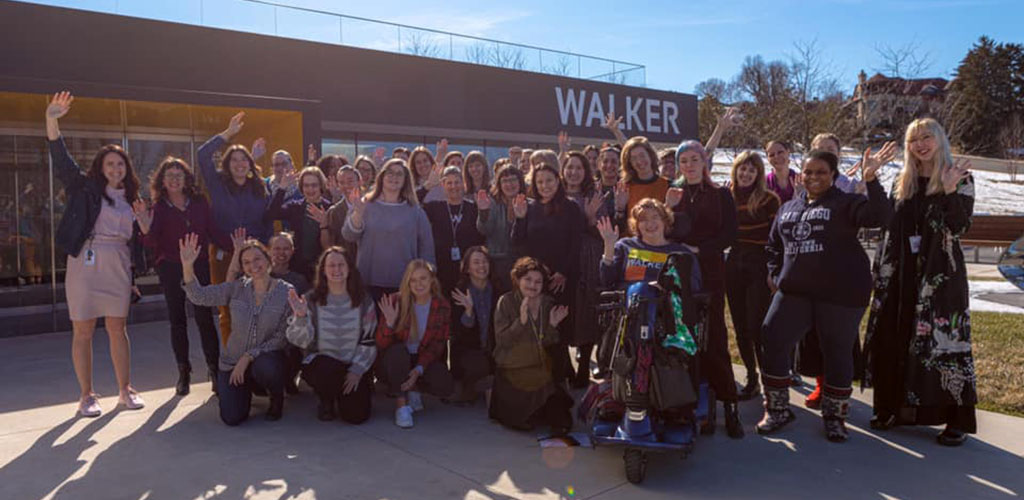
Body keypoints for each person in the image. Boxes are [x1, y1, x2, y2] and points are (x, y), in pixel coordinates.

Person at [757, 149, 891, 442]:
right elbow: (773, 245)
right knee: (772, 336)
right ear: (800, 175)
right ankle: (778, 408)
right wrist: (774, 273)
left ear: (833, 175)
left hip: (840, 293)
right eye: (808, 172)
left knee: (837, 351)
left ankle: (834, 416)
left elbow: (880, 217)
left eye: (821, 172)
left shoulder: (846, 203)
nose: (813, 177)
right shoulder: (788, 207)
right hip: (795, 291)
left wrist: (871, 179)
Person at [865, 118, 976, 446]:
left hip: (939, 278)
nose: (920, 144)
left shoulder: (959, 176)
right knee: (892, 338)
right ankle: (891, 409)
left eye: (927, 137)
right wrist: (870, 179)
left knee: (943, 344)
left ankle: (955, 420)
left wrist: (951, 190)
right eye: (914, 139)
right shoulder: (904, 183)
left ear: (940, 140)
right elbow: (883, 220)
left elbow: (959, 227)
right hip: (900, 276)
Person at [45, 91, 146, 417]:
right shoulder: (85, 188)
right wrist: (51, 120)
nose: (116, 168)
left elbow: (139, 241)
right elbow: (61, 160)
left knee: (118, 328)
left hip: (117, 265)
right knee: (83, 330)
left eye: (120, 163)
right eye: (110, 163)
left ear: (126, 168)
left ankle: (125, 390)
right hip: (85, 264)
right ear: (100, 167)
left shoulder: (133, 198)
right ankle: (87, 395)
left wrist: (145, 230)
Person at [666, 139, 743, 438]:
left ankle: (729, 405)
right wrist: (667, 208)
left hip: (709, 272)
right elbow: (662, 230)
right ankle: (694, 405)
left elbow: (730, 234)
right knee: (684, 339)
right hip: (681, 275)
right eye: (683, 160)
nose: (689, 165)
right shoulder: (674, 194)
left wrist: (700, 249)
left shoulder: (721, 194)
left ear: (704, 162)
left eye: (693, 159)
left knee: (714, 340)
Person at [181, 234, 293, 425]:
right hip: (232, 362)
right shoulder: (236, 288)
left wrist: (249, 356)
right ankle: (244, 390)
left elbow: (282, 337)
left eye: (257, 258)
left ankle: (275, 395)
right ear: (242, 268)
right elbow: (199, 296)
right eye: (246, 262)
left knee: (267, 366)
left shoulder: (285, 291)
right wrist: (187, 266)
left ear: (268, 259)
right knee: (232, 418)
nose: (253, 265)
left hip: (266, 360)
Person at [138, 156, 226, 396]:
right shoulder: (158, 207)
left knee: (205, 318)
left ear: (187, 179)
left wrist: (235, 247)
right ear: (162, 181)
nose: (175, 180)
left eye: (179, 175)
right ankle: (184, 372)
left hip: (198, 266)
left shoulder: (199, 202)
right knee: (178, 321)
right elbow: (150, 241)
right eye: (170, 176)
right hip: (171, 267)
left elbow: (213, 230)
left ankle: (214, 370)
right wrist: (145, 229)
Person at [197, 111, 272, 343]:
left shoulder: (259, 188)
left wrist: (265, 254)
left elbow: (267, 223)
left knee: (258, 307)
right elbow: (202, 154)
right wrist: (227, 134)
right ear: (227, 164)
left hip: (254, 256)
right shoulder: (218, 184)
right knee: (227, 310)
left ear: (251, 164)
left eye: (244, 160)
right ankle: (231, 360)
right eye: (234, 160)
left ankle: (253, 361)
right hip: (223, 254)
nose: (239, 164)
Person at [285, 247, 378, 424]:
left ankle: (346, 397)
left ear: (349, 268)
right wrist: (301, 317)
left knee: (356, 417)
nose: (336, 270)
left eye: (341, 265)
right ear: (323, 270)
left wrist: (357, 370)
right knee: (326, 370)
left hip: (353, 366)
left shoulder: (363, 299)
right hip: (323, 365)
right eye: (331, 265)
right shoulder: (310, 300)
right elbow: (301, 341)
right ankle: (326, 400)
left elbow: (369, 339)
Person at [511, 163, 584, 385]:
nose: (545, 186)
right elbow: (517, 242)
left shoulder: (570, 207)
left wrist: (563, 271)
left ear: (558, 180)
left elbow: (576, 243)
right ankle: (551, 376)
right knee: (539, 328)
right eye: (540, 181)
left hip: (561, 279)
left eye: (549, 180)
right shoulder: (529, 207)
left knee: (558, 330)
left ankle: (559, 380)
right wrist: (520, 218)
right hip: (536, 280)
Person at [490, 257, 572, 435]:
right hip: (513, 366)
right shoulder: (506, 301)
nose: (532, 285)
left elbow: (548, 341)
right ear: (517, 280)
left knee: (557, 404)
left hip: (538, 364)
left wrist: (553, 325)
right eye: (527, 279)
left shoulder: (547, 303)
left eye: (538, 281)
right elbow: (503, 341)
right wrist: (521, 321)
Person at [723, 152, 780, 401]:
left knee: (757, 326)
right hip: (735, 260)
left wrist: (773, 270)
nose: (745, 174)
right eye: (741, 169)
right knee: (740, 326)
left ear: (758, 174)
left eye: (751, 170)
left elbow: (777, 238)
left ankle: (770, 382)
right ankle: (751, 378)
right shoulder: (726, 197)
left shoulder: (768, 200)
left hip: (759, 262)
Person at [376, 260, 455, 428]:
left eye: (423, 278)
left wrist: (419, 369)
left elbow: (437, 345)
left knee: (444, 384)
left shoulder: (442, 306)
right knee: (397, 352)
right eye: (413, 280)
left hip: (421, 357)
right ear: (407, 282)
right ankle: (401, 405)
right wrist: (389, 324)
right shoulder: (395, 301)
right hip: (395, 359)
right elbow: (381, 344)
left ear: (432, 280)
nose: (418, 284)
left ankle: (414, 388)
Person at [342, 159, 435, 302]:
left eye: (399, 174)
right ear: (382, 177)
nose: (394, 177)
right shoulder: (364, 204)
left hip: (405, 283)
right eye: (390, 173)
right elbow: (348, 236)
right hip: (368, 281)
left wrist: (426, 278)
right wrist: (358, 214)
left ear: (405, 180)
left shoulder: (415, 211)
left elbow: (427, 247)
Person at [560, 152, 613, 387]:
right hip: (561, 258)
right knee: (563, 310)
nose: (573, 172)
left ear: (586, 171)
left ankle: (583, 367)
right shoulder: (556, 193)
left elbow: (601, 230)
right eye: (569, 167)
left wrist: (591, 220)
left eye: (578, 168)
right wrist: (585, 217)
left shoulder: (594, 195)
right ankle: (565, 365)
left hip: (588, 258)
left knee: (586, 311)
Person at [597, 198, 699, 291]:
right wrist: (609, 246)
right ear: (636, 225)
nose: (650, 223)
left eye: (655, 217)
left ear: (665, 221)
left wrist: (666, 285)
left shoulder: (681, 253)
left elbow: (695, 285)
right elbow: (607, 281)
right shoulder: (625, 246)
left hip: (667, 305)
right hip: (631, 303)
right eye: (643, 219)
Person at [449, 246, 499, 405]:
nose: (481, 266)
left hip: (494, 349)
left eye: (485, 262)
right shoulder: (460, 291)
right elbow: (459, 335)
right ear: (468, 268)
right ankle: (470, 388)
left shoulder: (498, 289)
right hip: (469, 351)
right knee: (479, 366)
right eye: (476, 262)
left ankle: (483, 387)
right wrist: (469, 312)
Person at [264, 166, 332, 280]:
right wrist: (282, 188)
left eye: (314, 185)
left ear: (321, 186)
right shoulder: (295, 206)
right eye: (306, 185)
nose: (310, 189)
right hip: (297, 266)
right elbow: (272, 214)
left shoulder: (330, 208)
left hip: (322, 267)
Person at [423, 167, 484, 293]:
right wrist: (427, 187)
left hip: (468, 271)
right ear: (442, 185)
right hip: (441, 269)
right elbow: (411, 202)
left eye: (457, 182)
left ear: (463, 184)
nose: (453, 186)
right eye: (449, 183)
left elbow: (482, 235)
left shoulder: (473, 207)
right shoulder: (435, 207)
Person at [476, 165, 527, 294]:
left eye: (513, 180)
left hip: (521, 264)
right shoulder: (492, 203)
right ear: (499, 184)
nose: (509, 184)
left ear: (520, 182)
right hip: (497, 262)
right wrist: (483, 212)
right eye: (504, 181)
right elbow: (484, 230)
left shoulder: (529, 204)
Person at [616, 136, 670, 220]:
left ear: (650, 156)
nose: (639, 161)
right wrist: (620, 209)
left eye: (642, 155)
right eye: (634, 158)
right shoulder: (624, 188)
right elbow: (619, 226)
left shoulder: (667, 185)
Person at [316, 165, 361, 259]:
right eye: (341, 182)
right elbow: (330, 245)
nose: (346, 186)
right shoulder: (334, 212)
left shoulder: (371, 206)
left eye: (350, 181)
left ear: (359, 182)